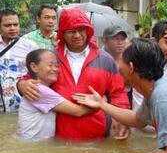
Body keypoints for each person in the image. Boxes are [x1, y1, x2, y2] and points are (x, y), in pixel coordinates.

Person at [73, 38, 167, 153]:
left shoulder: (163, 97)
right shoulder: (156, 90)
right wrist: (102, 105)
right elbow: (138, 120)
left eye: (121, 64)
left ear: (131, 67)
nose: (118, 69)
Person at [17, 7, 130, 141]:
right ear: (62, 33)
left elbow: (118, 93)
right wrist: (21, 85)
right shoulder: (51, 57)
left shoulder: (105, 60)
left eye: (81, 30)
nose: (77, 35)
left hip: (98, 134)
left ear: (88, 31)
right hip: (58, 136)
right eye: (71, 31)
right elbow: (30, 79)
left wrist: (123, 120)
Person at [18, 49, 93, 140]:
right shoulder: (40, 90)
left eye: (57, 66)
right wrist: (101, 104)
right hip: (34, 145)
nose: (55, 69)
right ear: (34, 67)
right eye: (50, 65)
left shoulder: (36, 86)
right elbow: (78, 112)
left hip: (33, 143)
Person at [0, 8, 37, 112]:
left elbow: (39, 73)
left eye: (15, 25)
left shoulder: (30, 46)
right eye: (7, 25)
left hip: (23, 105)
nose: (12, 28)